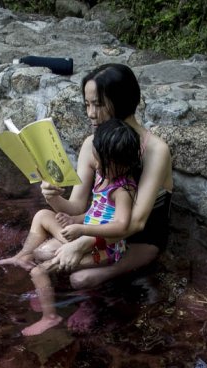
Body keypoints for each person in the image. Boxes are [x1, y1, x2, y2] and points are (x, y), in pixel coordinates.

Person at [41, 63, 173, 291]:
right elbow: (76, 206)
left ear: (121, 101)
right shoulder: (92, 144)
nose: (91, 114)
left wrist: (81, 243)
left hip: (138, 240)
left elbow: (136, 222)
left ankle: (95, 313)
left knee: (81, 279)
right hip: (100, 231)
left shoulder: (155, 150)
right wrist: (51, 196)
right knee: (43, 253)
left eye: (99, 104)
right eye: (87, 104)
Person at [19, 118, 141, 336]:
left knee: (39, 270)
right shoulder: (103, 177)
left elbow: (121, 226)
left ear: (124, 164)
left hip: (106, 249)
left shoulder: (122, 190)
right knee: (44, 224)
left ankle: (50, 316)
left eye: (106, 162)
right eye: (98, 157)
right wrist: (74, 218)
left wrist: (83, 229)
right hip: (87, 238)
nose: (98, 165)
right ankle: (32, 268)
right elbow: (98, 212)